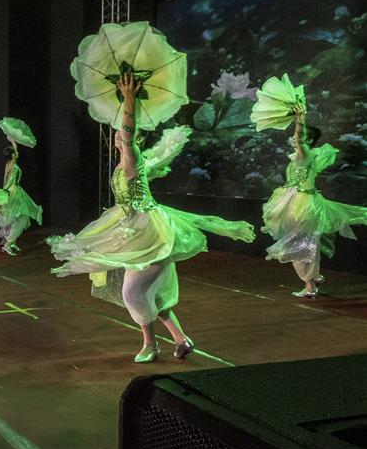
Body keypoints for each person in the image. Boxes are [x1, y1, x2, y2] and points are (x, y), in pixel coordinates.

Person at [47, 72, 255, 363]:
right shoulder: (122, 162)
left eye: (123, 131)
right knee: (148, 294)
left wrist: (129, 98)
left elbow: (128, 130)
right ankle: (180, 340)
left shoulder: (132, 157)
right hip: (131, 228)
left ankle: (150, 344)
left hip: (148, 231)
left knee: (133, 294)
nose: (118, 132)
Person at [262, 106, 367, 297]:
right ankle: (313, 278)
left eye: (300, 137)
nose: (295, 140)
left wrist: (300, 119)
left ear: (308, 140)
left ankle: (310, 285)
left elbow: (299, 137)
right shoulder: (298, 158)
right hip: (293, 202)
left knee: (300, 244)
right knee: (305, 242)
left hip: (301, 205)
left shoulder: (305, 155)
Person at [0, 142, 42, 255]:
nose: (17, 153)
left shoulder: (8, 163)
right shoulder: (13, 166)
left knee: (14, 218)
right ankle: (8, 244)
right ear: (13, 155)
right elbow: (9, 181)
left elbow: (5, 179)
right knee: (21, 217)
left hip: (11, 191)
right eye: (15, 152)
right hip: (15, 192)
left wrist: (14, 143)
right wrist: (6, 191)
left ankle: (12, 241)